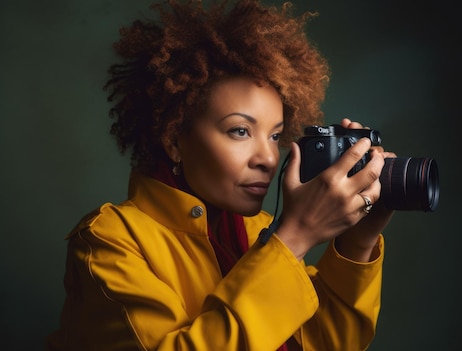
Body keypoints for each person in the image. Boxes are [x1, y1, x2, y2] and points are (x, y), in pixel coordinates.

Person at [47, 0, 395, 350]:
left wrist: (357, 242)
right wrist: (294, 239)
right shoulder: (109, 240)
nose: (269, 158)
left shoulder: (260, 231)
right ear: (173, 140)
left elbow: (328, 343)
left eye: (275, 136)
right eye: (240, 131)